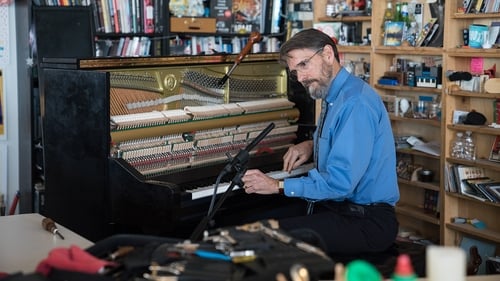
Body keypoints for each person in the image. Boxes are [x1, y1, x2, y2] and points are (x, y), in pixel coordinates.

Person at [241, 28, 400, 256]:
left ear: (327, 54)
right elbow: (342, 139)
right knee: (253, 222)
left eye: (304, 65)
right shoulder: (334, 94)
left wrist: (277, 185)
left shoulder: (355, 103)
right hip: (342, 210)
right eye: (294, 71)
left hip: (367, 221)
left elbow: (340, 183)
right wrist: (310, 145)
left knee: (262, 240)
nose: (301, 78)